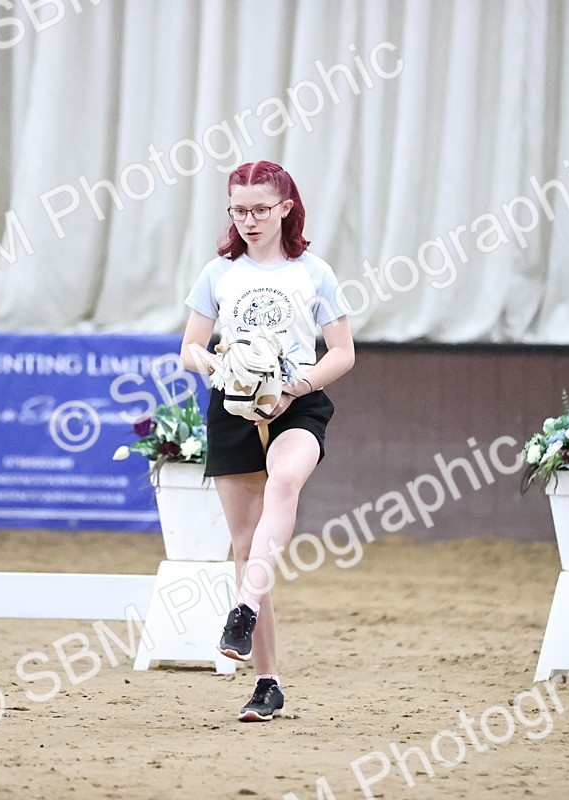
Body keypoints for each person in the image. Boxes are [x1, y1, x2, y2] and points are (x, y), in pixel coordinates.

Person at [179, 161, 355, 722]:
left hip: (295, 402)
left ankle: (243, 609)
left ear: (285, 207)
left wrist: (293, 388)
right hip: (233, 405)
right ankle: (267, 682)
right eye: (239, 209)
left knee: (285, 480)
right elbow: (190, 347)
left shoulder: (315, 273)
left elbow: (343, 352)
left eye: (260, 208)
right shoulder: (217, 273)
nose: (249, 219)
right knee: (246, 543)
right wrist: (219, 369)